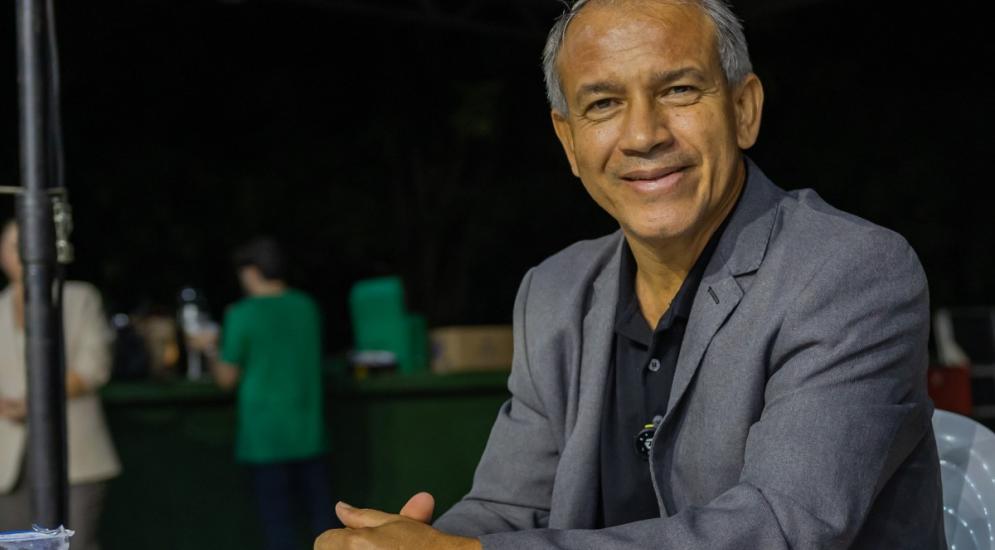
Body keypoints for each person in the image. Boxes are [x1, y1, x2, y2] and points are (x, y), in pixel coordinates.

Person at [314, 0, 944, 548]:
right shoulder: (554, 291)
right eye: (604, 103)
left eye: (679, 90)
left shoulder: (848, 272)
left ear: (744, 109)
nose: (643, 134)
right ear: (569, 142)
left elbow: (780, 528)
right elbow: (507, 510)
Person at [190, 237, 333, 550]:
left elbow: (226, 378)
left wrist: (209, 347)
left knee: (279, 530)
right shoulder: (307, 307)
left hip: (264, 439)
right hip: (309, 433)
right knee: (324, 527)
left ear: (252, 271)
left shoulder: (242, 314)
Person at [0, 219, 121, 550]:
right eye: (14, 246)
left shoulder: (79, 298)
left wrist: (32, 403)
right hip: (8, 460)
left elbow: (94, 368)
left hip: (76, 455)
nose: (23, 254)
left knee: (73, 545)